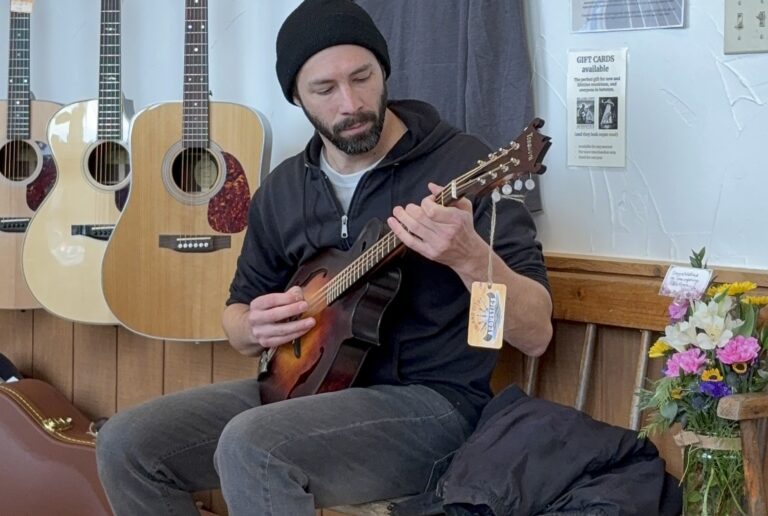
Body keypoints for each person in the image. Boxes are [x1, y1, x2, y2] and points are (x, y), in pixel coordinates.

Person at [95, 1, 552, 514]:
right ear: (296, 96)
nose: (351, 103)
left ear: (385, 71)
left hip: (431, 411)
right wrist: (254, 327)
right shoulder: (283, 189)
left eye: (363, 78)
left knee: (254, 447)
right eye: (325, 89)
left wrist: (470, 258)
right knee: (126, 443)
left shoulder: (461, 167)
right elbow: (237, 317)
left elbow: (535, 335)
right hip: (301, 390)